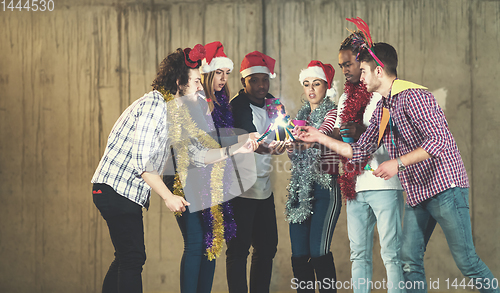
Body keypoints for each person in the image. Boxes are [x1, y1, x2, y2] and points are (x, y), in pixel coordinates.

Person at [296, 40, 498, 293]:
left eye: (365, 70)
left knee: (467, 262)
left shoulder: (414, 95)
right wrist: (318, 136)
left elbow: (440, 140)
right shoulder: (383, 107)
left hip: (445, 188)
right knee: (408, 261)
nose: (361, 75)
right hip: (418, 192)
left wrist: (397, 163)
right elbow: (359, 151)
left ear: (378, 71)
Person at [92, 45, 258, 293]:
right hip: (115, 189)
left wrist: (236, 148)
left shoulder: (175, 111)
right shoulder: (155, 105)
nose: (201, 86)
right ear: (179, 81)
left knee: (126, 257)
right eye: (195, 81)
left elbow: (196, 155)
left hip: (124, 192)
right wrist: (169, 197)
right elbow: (142, 162)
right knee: (132, 258)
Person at [334, 31, 405, 293]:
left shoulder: (382, 92)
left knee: (391, 254)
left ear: (364, 61)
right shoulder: (344, 99)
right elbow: (342, 139)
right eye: (341, 65)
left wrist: (359, 132)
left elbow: (396, 138)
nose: (345, 70)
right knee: (358, 255)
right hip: (355, 185)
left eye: (349, 64)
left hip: (384, 184)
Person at [226, 51, 286, 293]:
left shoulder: (274, 103)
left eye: (265, 80)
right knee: (238, 250)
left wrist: (284, 144)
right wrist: (269, 148)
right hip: (240, 189)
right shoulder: (236, 107)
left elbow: (283, 135)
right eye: (255, 80)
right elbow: (253, 142)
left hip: (264, 188)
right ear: (243, 82)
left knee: (267, 246)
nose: (261, 86)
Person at [286, 61, 340, 293]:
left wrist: (302, 138)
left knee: (319, 252)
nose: (311, 89)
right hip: (300, 191)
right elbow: (295, 155)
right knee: (299, 254)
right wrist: (290, 144)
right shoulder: (300, 117)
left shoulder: (334, 112)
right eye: (307, 84)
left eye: (316, 84)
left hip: (325, 189)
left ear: (326, 86)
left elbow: (324, 133)